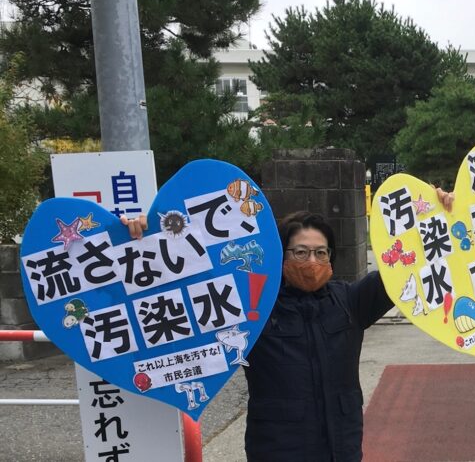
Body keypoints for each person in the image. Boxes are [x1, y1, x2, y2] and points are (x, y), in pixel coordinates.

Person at [120, 188, 455, 462]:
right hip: (278, 451)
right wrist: (142, 240)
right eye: (300, 252)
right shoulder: (253, 307)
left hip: (342, 448)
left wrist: (440, 215)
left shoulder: (350, 302)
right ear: (280, 256)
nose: (312, 262)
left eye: (321, 253)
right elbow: (184, 287)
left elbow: (403, 268)